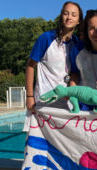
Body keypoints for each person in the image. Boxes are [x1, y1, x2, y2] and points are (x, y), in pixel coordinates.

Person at [24, 1, 83, 131]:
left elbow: (74, 72)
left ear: (79, 20)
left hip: (66, 104)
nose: (69, 17)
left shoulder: (77, 43)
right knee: (38, 146)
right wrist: (29, 96)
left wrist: (73, 92)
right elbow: (30, 66)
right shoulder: (46, 38)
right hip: (43, 103)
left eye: (74, 15)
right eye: (66, 13)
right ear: (61, 16)